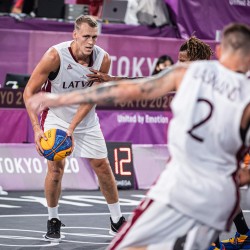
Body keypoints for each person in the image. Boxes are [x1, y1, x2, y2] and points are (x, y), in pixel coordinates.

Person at [26, 22, 250, 250]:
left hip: (178, 183)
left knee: (130, 245)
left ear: (220, 51)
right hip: (217, 187)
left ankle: (237, 236)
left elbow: (136, 88)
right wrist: (238, 174)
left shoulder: (186, 74)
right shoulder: (245, 93)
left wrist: (63, 99)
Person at [23, 15, 125, 242]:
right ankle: (53, 219)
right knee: (56, 170)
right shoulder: (54, 56)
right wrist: (37, 130)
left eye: (95, 37)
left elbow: (91, 98)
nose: (90, 42)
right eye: (86, 36)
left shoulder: (103, 59)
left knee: (103, 166)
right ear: (75, 34)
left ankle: (117, 221)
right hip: (56, 116)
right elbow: (29, 92)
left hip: (85, 118)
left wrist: (73, 128)